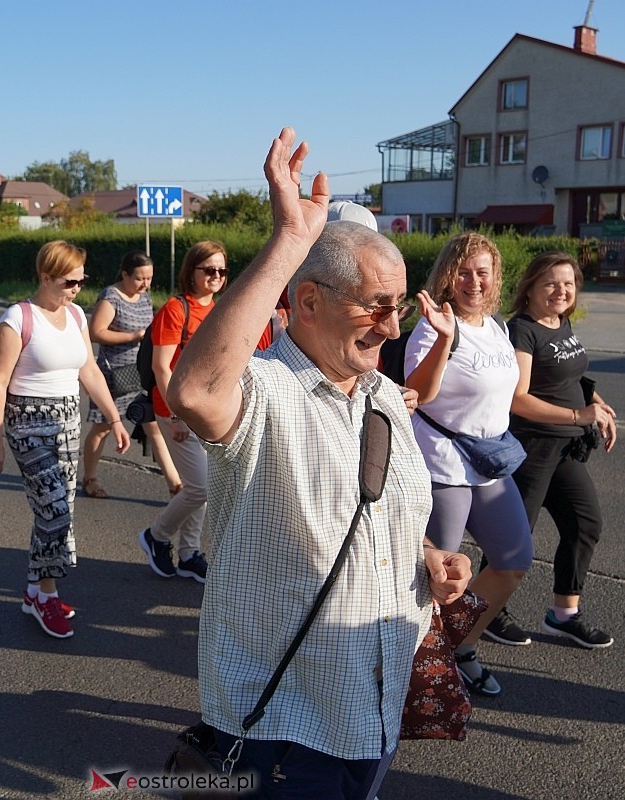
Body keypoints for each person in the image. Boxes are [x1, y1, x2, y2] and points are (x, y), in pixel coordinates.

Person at [167, 128, 471, 799]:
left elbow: (377, 515)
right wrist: (287, 244)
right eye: (376, 307)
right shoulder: (266, 391)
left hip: (374, 699)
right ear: (308, 302)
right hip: (287, 715)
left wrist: (428, 557)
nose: (392, 327)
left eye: (398, 306)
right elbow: (194, 392)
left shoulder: (384, 395)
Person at [403, 232, 534, 696]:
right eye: (463, 272)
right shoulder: (433, 326)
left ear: (495, 277)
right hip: (442, 466)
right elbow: (419, 392)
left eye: (483, 272)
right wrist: (444, 338)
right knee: (435, 577)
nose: (474, 281)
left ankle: (457, 647)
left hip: (487, 463)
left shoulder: (496, 327)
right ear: (448, 276)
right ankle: (412, 668)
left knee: (513, 560)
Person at [0, 240, 131, 639]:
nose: (77, 289)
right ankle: (47, 595)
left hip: (67, 421)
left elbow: (89, 371)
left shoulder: (77, 314)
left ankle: (35, 590)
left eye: (81, 281)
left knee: (56, 508)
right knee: (55, 511)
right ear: (46, 277)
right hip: (27, 424)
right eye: (69, 282)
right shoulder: (17, 318)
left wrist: (114, 419)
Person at [487, 251, 618, 649]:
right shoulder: (523, 330)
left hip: (565, 449)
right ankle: (488, 614)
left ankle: (563, 615)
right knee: (513, 537)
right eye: (551, 284)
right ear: (530, 289)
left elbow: (569, 375)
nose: (561, 291)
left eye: (568, 283)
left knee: (585, 523)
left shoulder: (561, 322)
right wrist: (579, 415)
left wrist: (596, 402)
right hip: (533, 447)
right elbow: (518, 398)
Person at [136, 240, 228, 585]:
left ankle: (189, 554)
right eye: (209, 270)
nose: (216, 276)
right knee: (201, 487)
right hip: (174, 409)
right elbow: (161, 367)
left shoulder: (216, 308)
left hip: (204, 409)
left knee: (200, 484)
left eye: (222, 270)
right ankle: (157, 535)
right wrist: (176, 415)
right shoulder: (176, 310)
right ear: (192, 271)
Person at [80, 250, 181, 499]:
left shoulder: (144, 296)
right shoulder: (111, 297)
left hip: (140, 373)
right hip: (114, 375)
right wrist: (134, 336)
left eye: (149, 278)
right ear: (124, 275)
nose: (145, 284)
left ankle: (175, 485)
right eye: (139, 278)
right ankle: (90, 478)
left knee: (153, 426)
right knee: (103, 428)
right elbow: (96, 332)